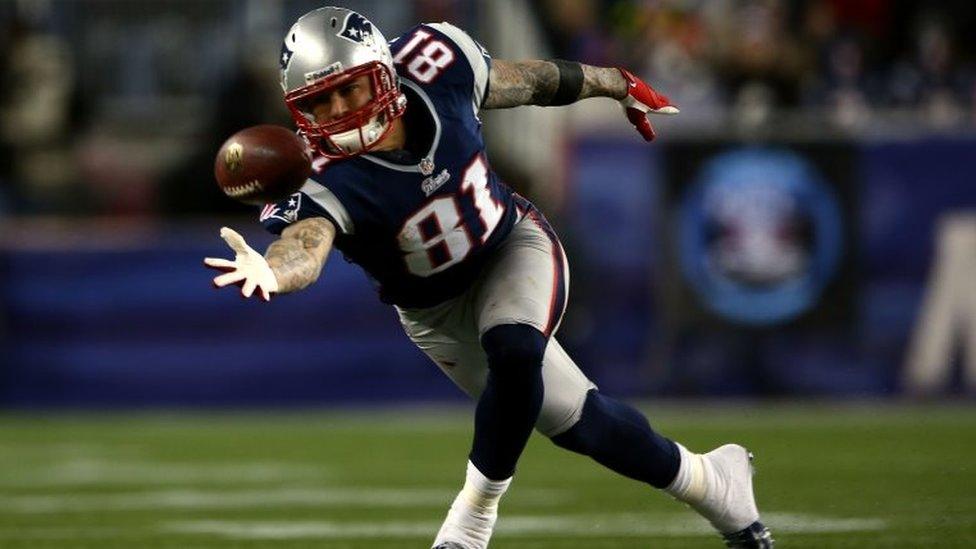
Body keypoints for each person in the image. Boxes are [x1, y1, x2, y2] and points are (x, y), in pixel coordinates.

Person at [204, 7, 773, 548]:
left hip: (511, 247)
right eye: (318, 102)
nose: (338, 114)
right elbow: (305, 245)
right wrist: (273, 272)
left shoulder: (436, 65)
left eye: (347, 89)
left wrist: (615, 81)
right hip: (435, 313)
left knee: (515, 347)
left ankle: (471, 519)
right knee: (584, 426)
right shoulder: (321, 178)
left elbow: (529, 81)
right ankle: (714, 483)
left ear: (383, 73)